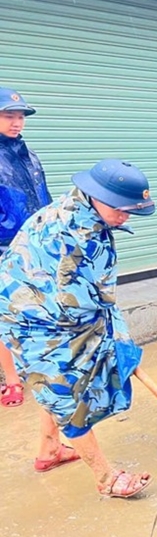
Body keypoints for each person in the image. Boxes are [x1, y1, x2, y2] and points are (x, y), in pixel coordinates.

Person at [0, 159, 155, 498]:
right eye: (122, 210)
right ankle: (106, 478)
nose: (126, 217)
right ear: (98, 196)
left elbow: (98, 300)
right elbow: (81, 307)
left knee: (57, 380)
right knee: (63, 389)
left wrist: (118, 337)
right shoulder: (73, 235)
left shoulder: (83, 210)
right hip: (31, 315)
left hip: (45, 303)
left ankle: (49, 449)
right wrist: (117, 339)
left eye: (131, 211)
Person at [0, 87, 51, 408]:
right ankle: (12, 380)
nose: (17, 122)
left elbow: (43, 198)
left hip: (34, 246)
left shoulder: (29, 156)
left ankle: (37, 367)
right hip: (3, 247)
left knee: (37, 308)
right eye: (9, 116)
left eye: (20, 116)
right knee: (3, 315)